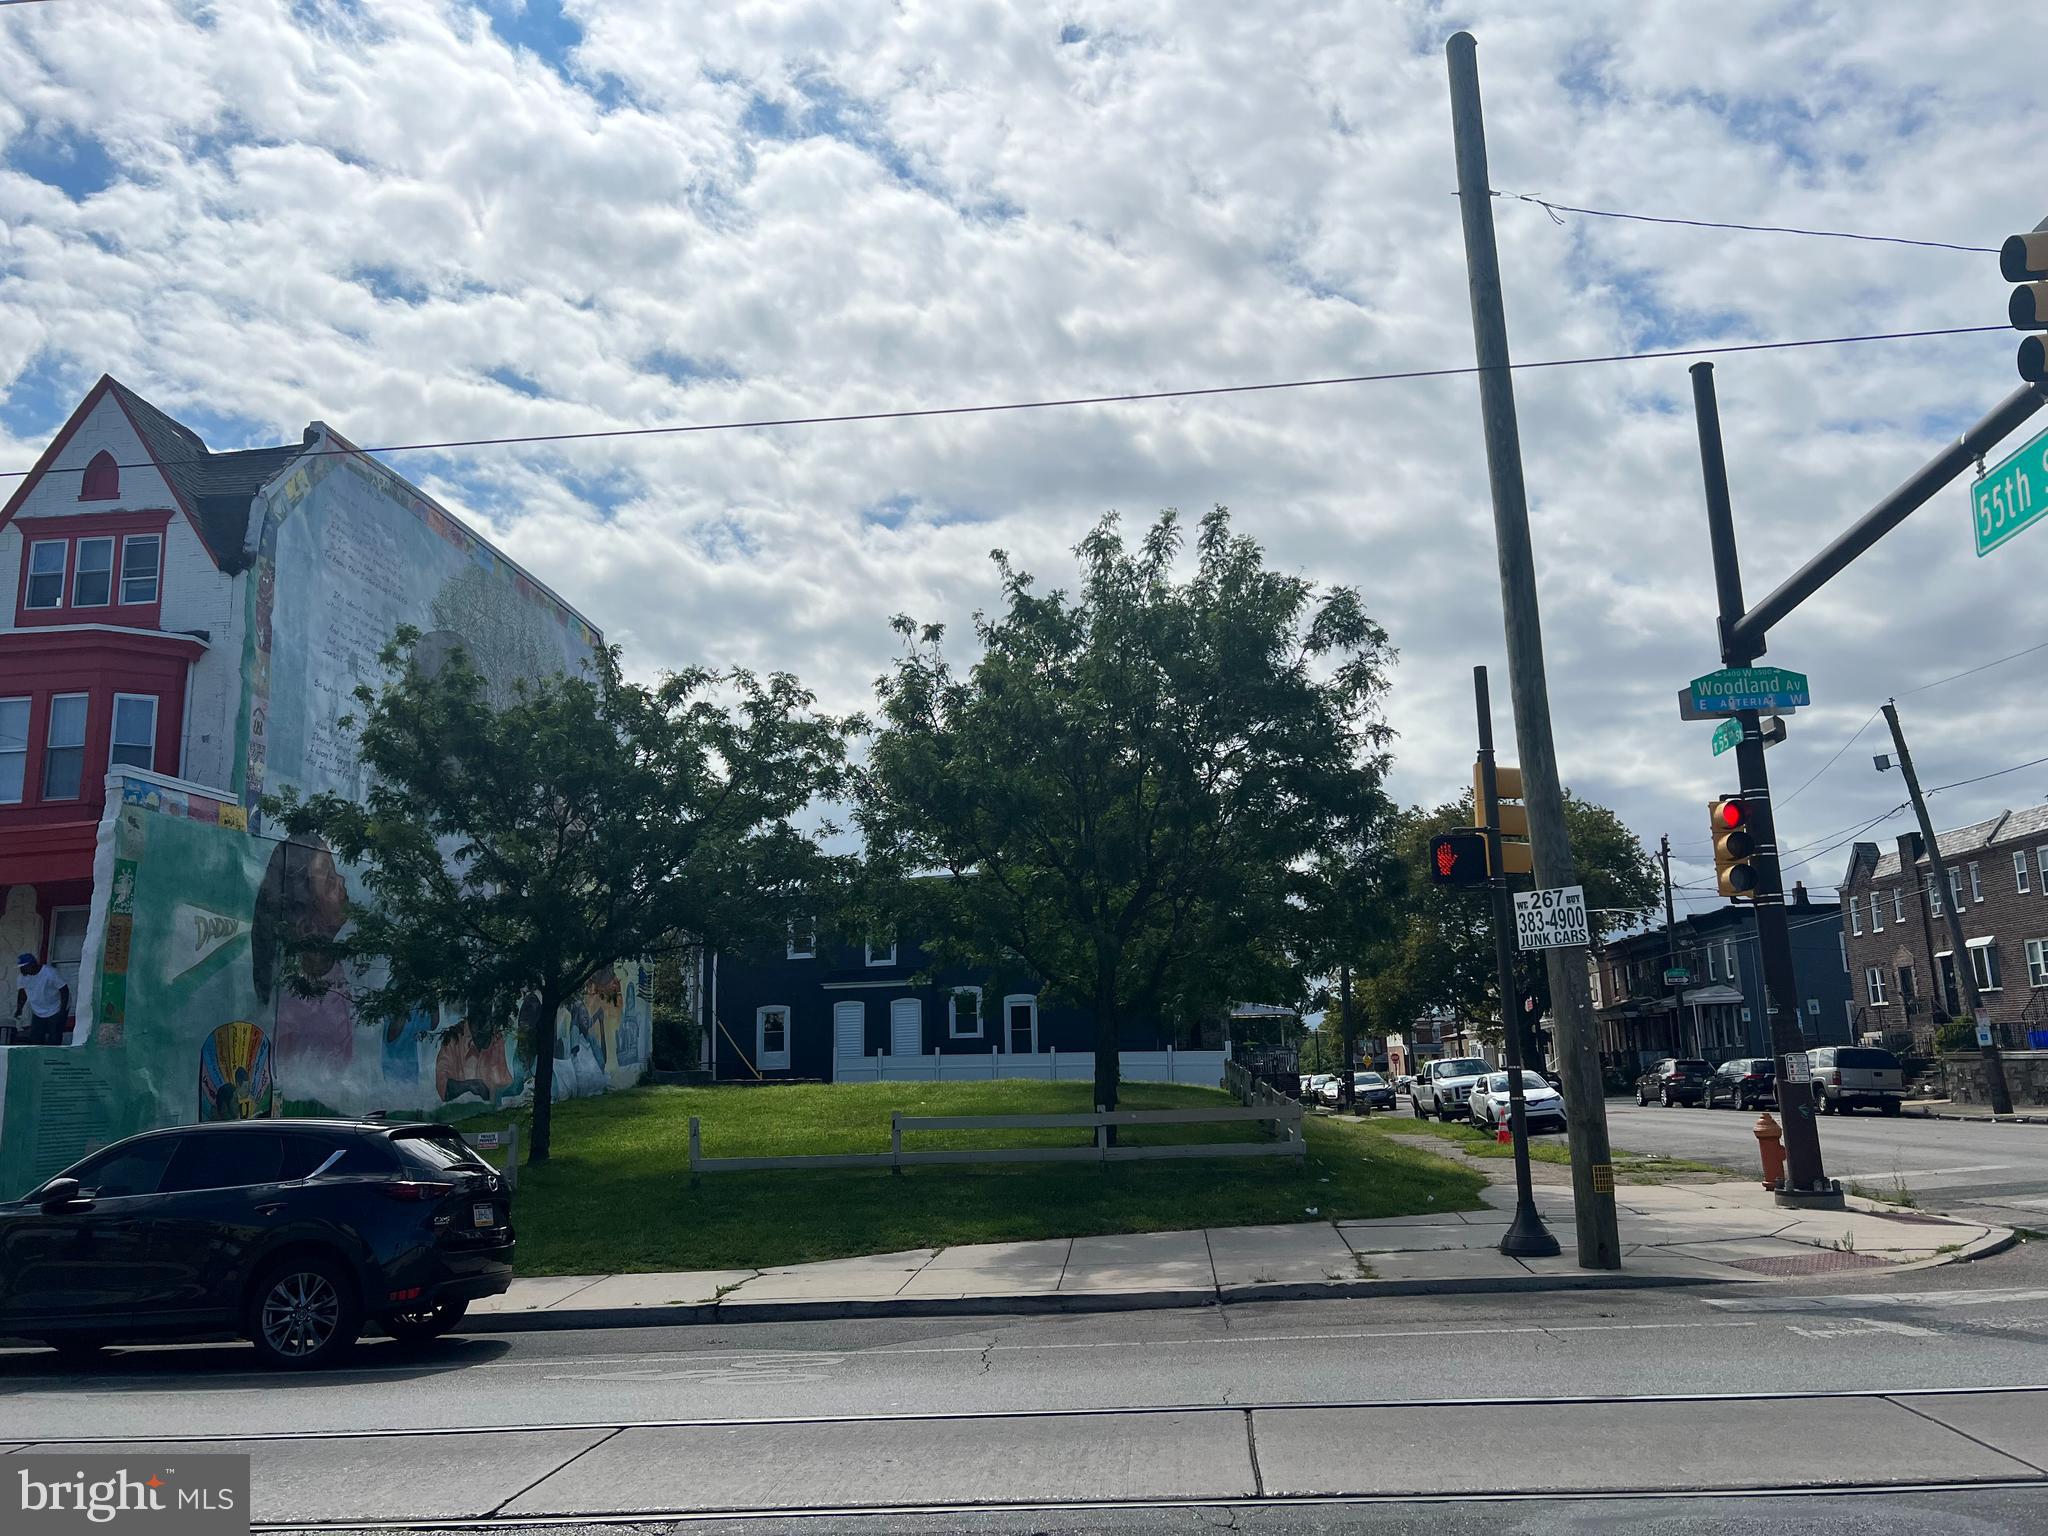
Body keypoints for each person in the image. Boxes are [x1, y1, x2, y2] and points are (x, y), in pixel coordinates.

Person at [13, 953, 71, 1047]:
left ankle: (53, 1059)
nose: (21, 970)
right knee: (36, 1038)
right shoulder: (22, 978)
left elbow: (64, 990)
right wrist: (19, 1008)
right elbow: (22, 994)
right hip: (38, 1011)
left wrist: (62, 1010)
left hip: (55, 1008)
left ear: (32, 965)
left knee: (54, 1038)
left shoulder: (50, 973)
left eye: (23, 967)